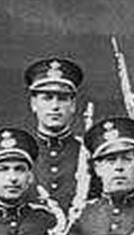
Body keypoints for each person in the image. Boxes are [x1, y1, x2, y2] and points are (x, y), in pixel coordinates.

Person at [24, 57, 92, 213]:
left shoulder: (89, 152)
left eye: (62, 99)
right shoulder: (21, 152)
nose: (55, 106)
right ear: (33, 104)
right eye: (47, 98)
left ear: (73, 105)